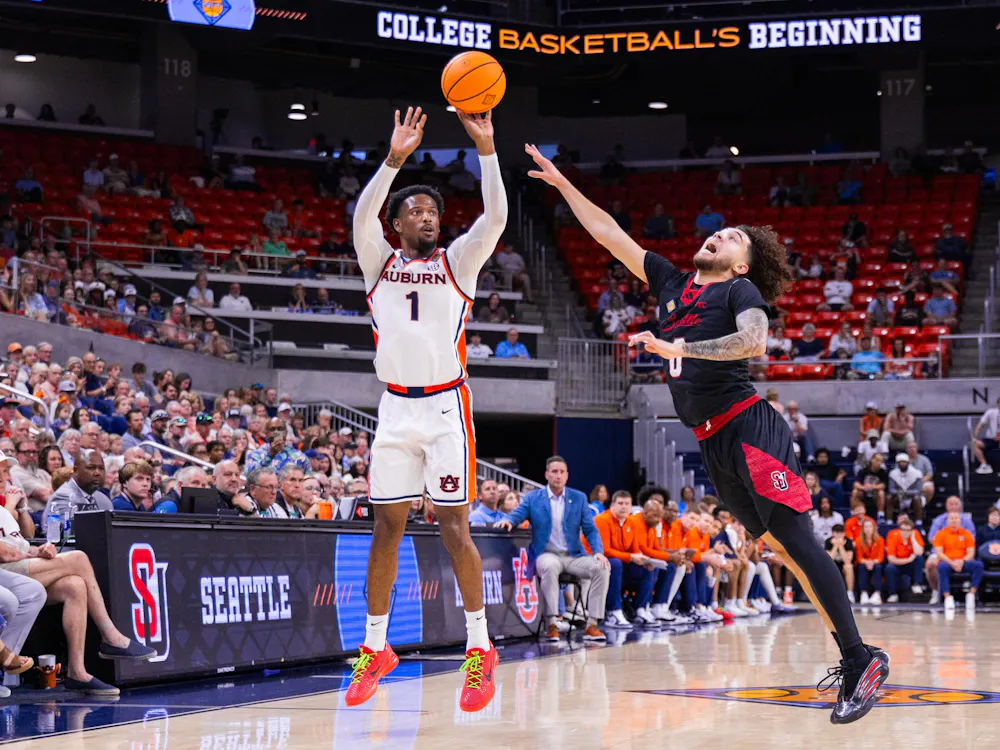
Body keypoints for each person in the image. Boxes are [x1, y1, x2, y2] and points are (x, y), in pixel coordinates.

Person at [525, 143, 888, 724]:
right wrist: (563, 186)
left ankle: (859, 658)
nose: (719, 235)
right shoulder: (672, 282)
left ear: (742, 264)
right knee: (778, 548)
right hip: (713, 441)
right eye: (719, 232)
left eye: (733, 238)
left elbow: (754, 343)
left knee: (795, 538)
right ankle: (856, 652)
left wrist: (680, 347)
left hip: (750, 424)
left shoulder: (739, 292)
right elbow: (609, 235)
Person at [347, 106, 506, 712]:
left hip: (446, 409)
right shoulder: (378, 263)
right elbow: (362, 216)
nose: (428, 217)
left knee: (451, 526)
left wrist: (486, 148)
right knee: (385, 528)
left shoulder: (457, 263)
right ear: (398, 224)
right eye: (416, 211)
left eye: (434, 210)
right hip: (394, 411)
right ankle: (375, 648)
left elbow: (495, 217)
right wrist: (394, 158)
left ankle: (477, 650)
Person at [0, 450, 154, 696]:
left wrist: (36, 539)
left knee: (74, 585)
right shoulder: (3, 504)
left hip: (21, 564)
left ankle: (77, 672)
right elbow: (5, 553)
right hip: (5, 571)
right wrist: (10, 508)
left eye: (7, 470)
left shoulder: (5, 502)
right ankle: (110, 636)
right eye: (3, 469)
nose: (6, 475)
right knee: (79, 559)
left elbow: (24, 537)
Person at [496, 457, 610, 638]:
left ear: (567, 476)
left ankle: (592, 624)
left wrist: (598, 552)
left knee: (602, 568)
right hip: (546, 554)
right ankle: (551, 623)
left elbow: (590, 529)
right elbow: (518, 513)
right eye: (554, 472)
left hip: (573, 556)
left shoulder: (578, 498)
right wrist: (508, 520)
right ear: (546, 475)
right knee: (549, 566)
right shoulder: (533, 498)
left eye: (561, 472)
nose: (558, 476)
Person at [933, 511, 983, 612]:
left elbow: (971, 553)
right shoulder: (940, 534)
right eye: (951, 518)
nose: (954, 521)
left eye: (956, 518)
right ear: (947, 520)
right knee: (942, 567)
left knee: (979, 565)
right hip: (947, 561)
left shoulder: (967, 534)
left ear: (960, 520)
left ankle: (971, 595)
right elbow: (939, 553)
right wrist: (952, 562)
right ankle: (947, 597)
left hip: (963, 561)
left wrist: (961, 561)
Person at [884, 517, 924, 603]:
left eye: (908, 530)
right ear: (899, 530)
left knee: (919, 558)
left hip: (910, 566)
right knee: (889, 567)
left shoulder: (915, 534)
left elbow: (919, 552)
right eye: (903, 530)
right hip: (898, 564)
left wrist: (912, 538)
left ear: (911, 530)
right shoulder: (894, 537)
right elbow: (891, 559)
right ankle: (892, 594)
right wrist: (908, 560)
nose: (905, 532)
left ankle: (917, 584)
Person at [854, 518, 884, 605]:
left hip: (875, 563)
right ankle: (864, 593)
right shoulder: (858, 540)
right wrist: (867, 562)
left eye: (870, 526)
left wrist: (872, 562)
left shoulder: (880, 540)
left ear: (874, 528)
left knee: (878, 566)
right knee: (861, 566)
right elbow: (859, 558)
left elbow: (881, 557)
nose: (868, 529)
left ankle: (877, 593)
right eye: (866, 527)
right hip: (864, 563)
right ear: (862, 529)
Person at [887, 453, 924, 522]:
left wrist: (905, 493)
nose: (902, 464)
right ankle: (889, 521)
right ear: (897, 463)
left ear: (908, 463)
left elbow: (919, 490)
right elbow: (891, 489)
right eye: (900, 462)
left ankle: (919, 522)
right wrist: (900, 493)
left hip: (912, 498)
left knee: (917, 498)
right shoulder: (893, 473)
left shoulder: (917, 473)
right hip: (898, 498)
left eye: (904, 462)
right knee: (889, 498)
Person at [825, 524, 856, 602]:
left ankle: (850, 593)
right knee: (827, 568)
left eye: (841, 532)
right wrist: (835, 546)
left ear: (844, 533)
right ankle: (829, 594)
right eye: (836, 532)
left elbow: (848, 560)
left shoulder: (848, 542)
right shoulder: (828, 541)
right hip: (833, 566)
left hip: (843, 566)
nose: (838, 535)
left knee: (848, 566)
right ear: (832, 533)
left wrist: (841, 546)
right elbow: (829, 560)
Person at [972, 395, 999, 475]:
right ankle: (984, 465)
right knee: (975, 444)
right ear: (998, 404)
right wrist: (975, 437)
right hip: (991, 439)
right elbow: (980, 425)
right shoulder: (991, 412)